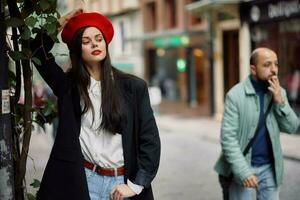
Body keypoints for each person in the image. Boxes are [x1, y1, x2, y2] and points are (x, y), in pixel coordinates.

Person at [30, 9, 161, 200]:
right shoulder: (69, 87)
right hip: (83, 181)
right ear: (77, 49)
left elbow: (150, 140)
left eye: (99, 39)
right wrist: (61, 23)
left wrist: (135, 185)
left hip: (122, 184)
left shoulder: (133, 87)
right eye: (86, 41)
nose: (94, 44)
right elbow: (36, 51)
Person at [214, 47, 299, 200]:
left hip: (269, 168)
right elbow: (228, 139)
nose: (274, 70)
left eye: (276, 64)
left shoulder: (279, 92)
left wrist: (281, 102)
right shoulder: (235, 96)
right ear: (253, 69)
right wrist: (244, 172)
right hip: (243, 166)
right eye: (267, 65)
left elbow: (292, 127)